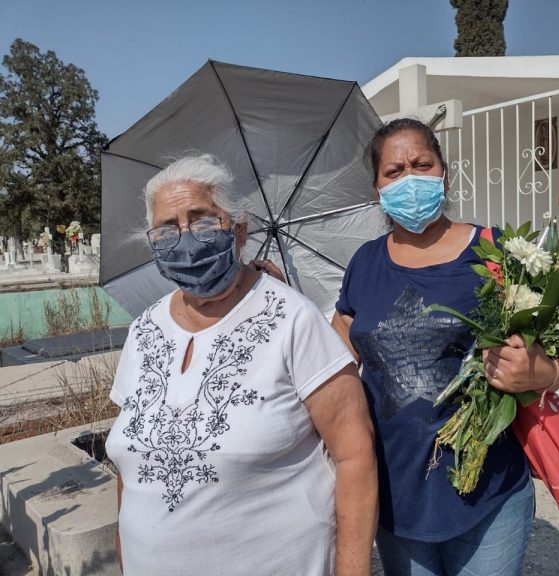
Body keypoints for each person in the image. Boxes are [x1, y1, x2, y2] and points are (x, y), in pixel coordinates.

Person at [105, 154, 377, 576]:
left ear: (238, 230)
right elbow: (130, 463)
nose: (186, 238)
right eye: (167, 228)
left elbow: (355, 455)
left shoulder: (292, 319)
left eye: (201, 218)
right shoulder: (144, 330)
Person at [331, 118, 559, 576]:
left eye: (422, 165)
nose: (410, 179)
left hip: (488, 491)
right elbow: (336, 353)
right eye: (394, 171)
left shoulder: (494, 251)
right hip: (395, 494)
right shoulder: (364, 262)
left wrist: (537, 372)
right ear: (377, 186)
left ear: (444, 172)